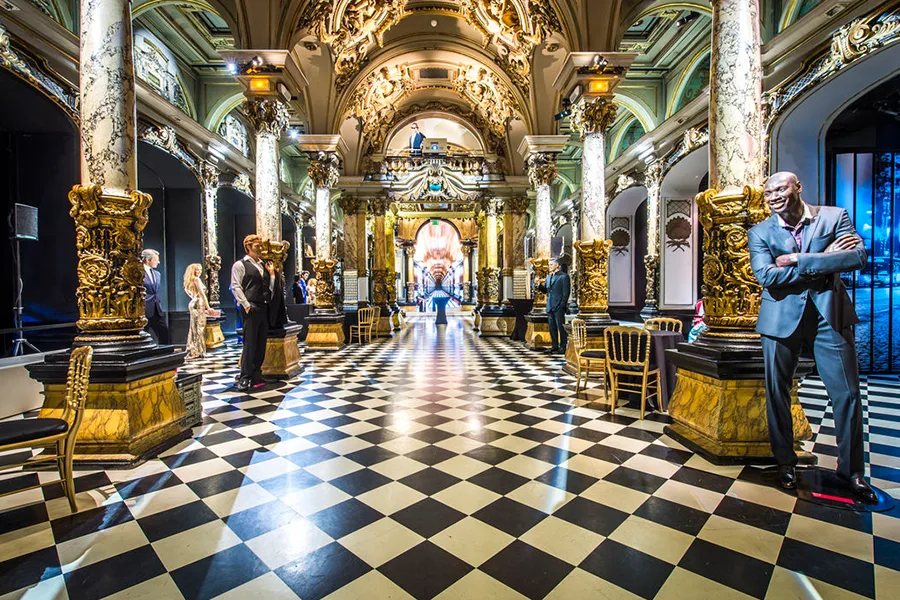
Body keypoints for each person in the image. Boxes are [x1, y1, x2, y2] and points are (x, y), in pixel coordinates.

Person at [748, 171, 875, 502]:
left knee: (846, 395)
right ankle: (785, 463)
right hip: (779, 321)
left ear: (797, 187)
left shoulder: (834, 217)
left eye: (780, 189)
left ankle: (852, 472)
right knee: (778, 394)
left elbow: (857, 257)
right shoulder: (760, 232)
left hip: (828, 316)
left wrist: (799, 259)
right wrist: (826, 260)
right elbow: (766, 275)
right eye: (768, 193)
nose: (773, 196)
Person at [231, 235, 277, 392]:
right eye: (257, 246)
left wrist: (271, 275)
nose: (260, 248)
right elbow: (236, 286)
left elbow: (268, 286)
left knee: (260, 342)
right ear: (248, 247)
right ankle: (245, 376)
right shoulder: (240, 264)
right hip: (251, 307)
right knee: (249, 343)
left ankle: (257, 373)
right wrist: (246, 305)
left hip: (263, 306)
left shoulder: (262, 265)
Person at [538, 257, 570, 355]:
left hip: (559, 306)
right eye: (549, 265)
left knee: (561, 328)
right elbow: (547, 291)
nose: (549, 266)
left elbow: (566, 293)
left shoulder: (564, 277)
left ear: (557, 265)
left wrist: (562, 305)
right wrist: (539, 285)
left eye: (551, 264)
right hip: (550, 306)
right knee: (552, 328)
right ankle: (554, 346)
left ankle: (563, 347)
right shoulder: (548, 277)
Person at [183, 263, 210, 359]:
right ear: (192, 271)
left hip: (193, 302)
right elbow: (202, 294)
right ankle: (197, 351)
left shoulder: (190, 281)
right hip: (198, 303)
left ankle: (194, 350)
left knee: (194, 327)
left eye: (199, 270)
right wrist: (208, 307)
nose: (199, 272)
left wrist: (194, 298)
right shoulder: (196, 280)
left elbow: (188, 291)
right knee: (199, 328)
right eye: (196, 270)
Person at [142, 249, 168, 344]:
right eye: (156, 259)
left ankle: (165, 354)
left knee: (164, 332)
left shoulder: (157, 274)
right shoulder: (138, 272)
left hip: (157, 308)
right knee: (142, 333)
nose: (158, 262)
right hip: (144, 309)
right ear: (148, 260)